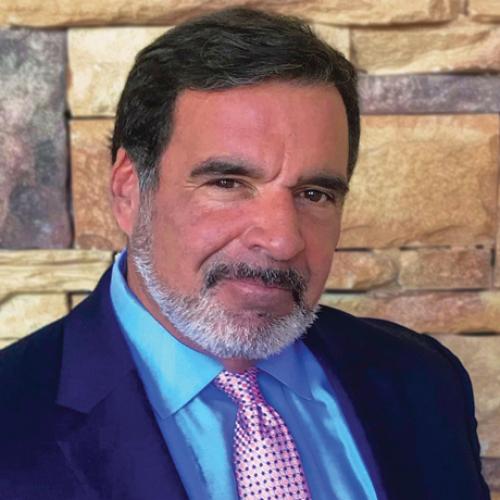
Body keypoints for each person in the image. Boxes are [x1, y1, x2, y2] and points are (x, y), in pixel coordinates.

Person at [0, 7, 490, 500]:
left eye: (315, 194)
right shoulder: (12, 420)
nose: (282, 241)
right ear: (129, 190)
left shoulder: (424, 379)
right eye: (228, 183)